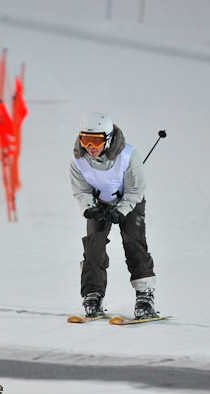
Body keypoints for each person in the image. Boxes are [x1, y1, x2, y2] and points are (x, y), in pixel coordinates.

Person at [69, 112, 158, 319]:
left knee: (133, 242)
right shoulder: (78, 159)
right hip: (99, 203)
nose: (90, 146)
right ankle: (92, 294)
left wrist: (121, 210)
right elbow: (81, 190)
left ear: (107, 140)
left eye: (96, 141)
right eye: (85, 139)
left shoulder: (127, 155)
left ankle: (145, 296)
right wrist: (89, 207)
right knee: (93, 245)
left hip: (129, 202)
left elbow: (136, 190)